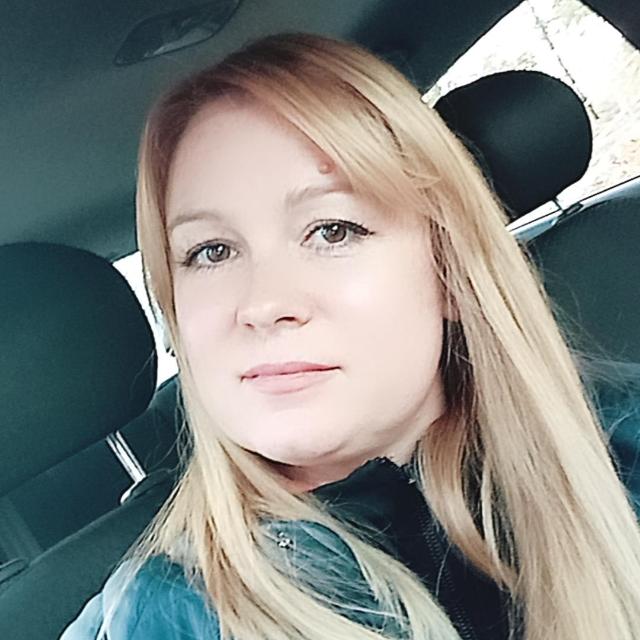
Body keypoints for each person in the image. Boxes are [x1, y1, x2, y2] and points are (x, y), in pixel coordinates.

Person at [61, 32, 640, 640]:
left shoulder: (620, 449)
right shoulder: (170, 613)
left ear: (448, 269)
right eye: (211, 251)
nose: (263, 305)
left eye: (332, 230)